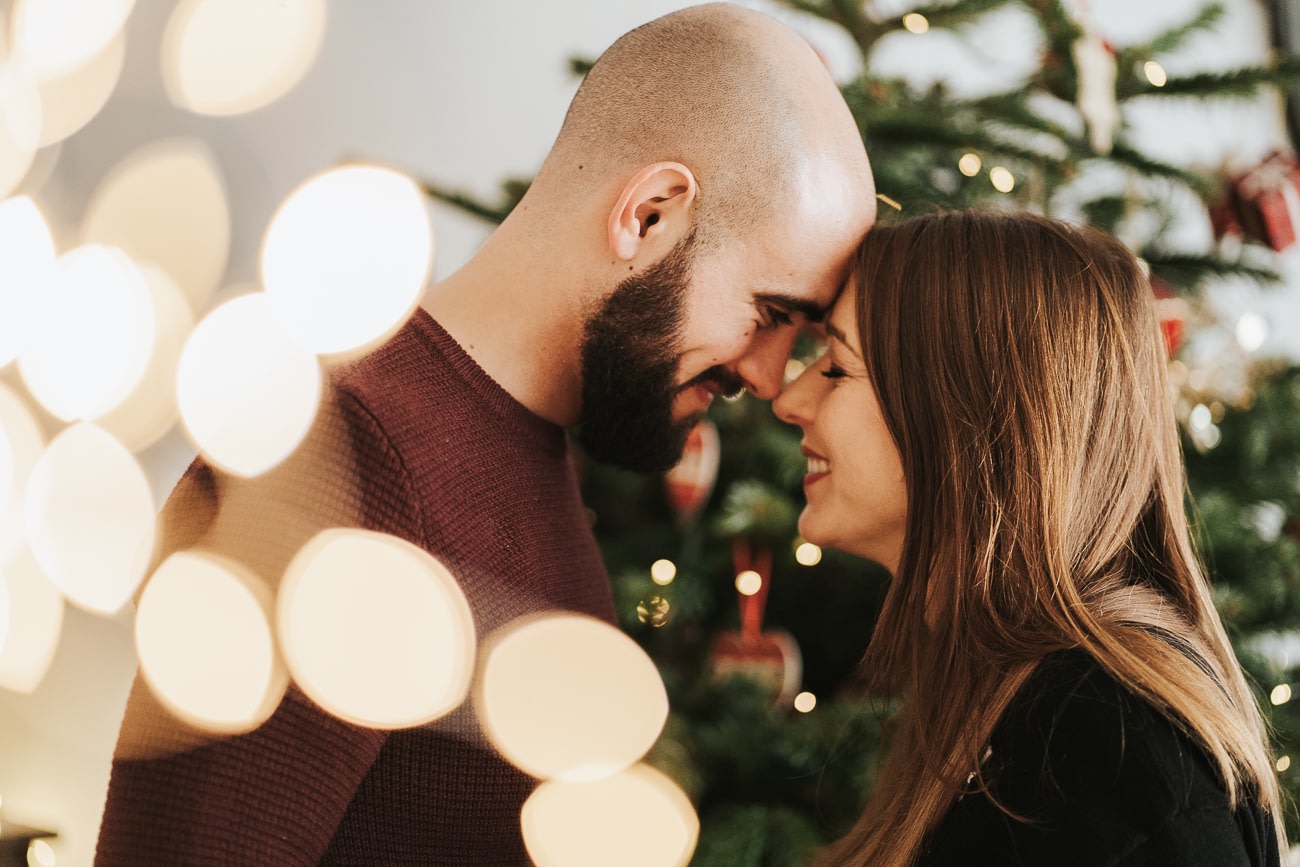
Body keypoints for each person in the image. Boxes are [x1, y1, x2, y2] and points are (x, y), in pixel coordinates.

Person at [94, 4, 876, 865]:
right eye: (770, 314)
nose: (769, 379)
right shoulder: (339, 464)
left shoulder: (528, 452)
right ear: (649, 214)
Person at [774, 210, 1285, 867]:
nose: (789, 397)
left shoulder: (1117, 764)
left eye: (837, 367)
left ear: (967, 413)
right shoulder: (1013, 697)